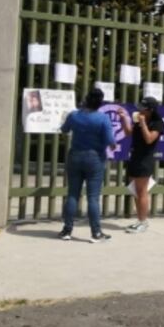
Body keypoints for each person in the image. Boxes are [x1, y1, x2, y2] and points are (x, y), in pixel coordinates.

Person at [58, 88, 116, 242]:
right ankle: (96, 233)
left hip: (75, 156)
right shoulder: (103, 118)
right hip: (95, 158)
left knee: (72, 194)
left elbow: (64, 130)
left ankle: (66, 231)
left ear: (86, 98)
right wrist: (113, 146)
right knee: (93, 198)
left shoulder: (74, 115)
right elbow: (111, 142)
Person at [118, 96, 164, 234]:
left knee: (142, 191)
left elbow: (149, 139)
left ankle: (143, 222)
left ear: (150, 110)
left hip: (145, 160)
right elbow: (128, 132)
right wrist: (123, 119)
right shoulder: (139, 120)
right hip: (134, 157)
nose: (140, 111)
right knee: (135, 191)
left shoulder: (157, 123)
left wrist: (143, 123)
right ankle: (139, 220)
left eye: (143, 108)